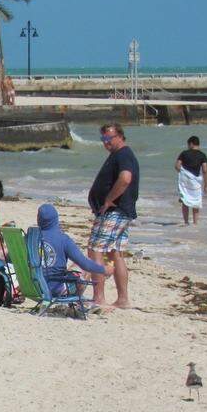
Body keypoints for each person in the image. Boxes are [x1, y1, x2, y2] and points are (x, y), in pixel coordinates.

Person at [87, 122, 139, 309]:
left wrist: (108, 200)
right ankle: (123, 299)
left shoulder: (123, 154)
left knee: (95, 250)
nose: (105, 142)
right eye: (103, 139)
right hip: (121, 211)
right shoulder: (118, 155)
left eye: (108, 138)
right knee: (115, 253)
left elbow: (125, 179)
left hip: (114, 211)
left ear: (120, 136)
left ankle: (99, 297)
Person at [35, 203, 108, 297]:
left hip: (36, 286)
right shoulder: (63, 239)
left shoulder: (30, 239)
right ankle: (77, 301)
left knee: (73, 266)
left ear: (38, 220)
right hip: (56, 288)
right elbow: (85, 264)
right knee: (85, 267)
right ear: (56, 220)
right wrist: (104, 269)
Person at [175, 135, 207, 225]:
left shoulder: (184, 153)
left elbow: (177, 166)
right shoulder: (202, 155)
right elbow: (205, 170)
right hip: (196, 182)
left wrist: (183, 173)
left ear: (191, 144)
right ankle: (195, 223)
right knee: (196, 202)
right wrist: (205, 185)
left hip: (185, 180)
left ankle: (186, 222)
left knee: (185, 200)